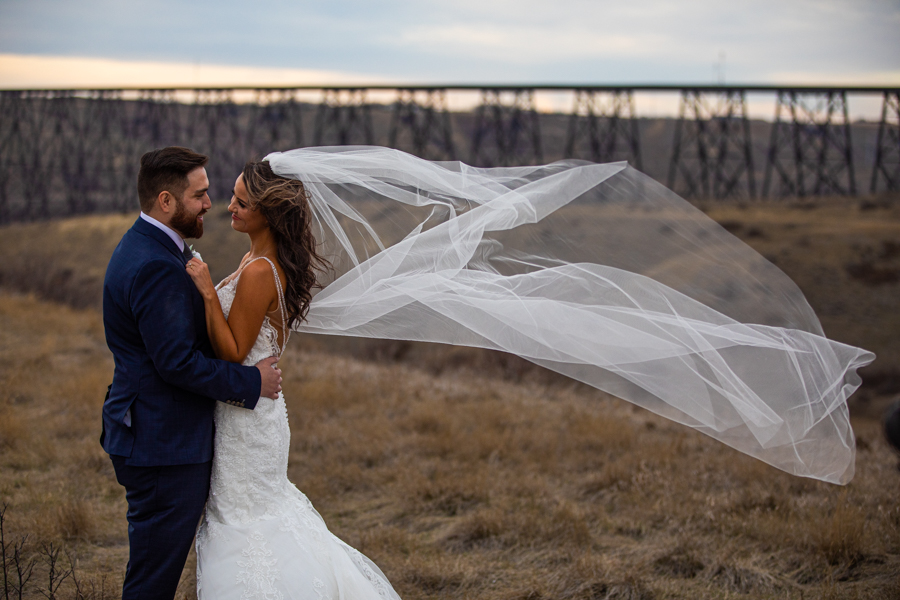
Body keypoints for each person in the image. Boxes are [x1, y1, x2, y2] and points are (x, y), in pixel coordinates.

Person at [186, 160, 400, 598]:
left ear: (268, 211)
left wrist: (208, 291)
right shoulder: (256, 260)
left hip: (247, 423)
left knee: (245, 522)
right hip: (252, 411)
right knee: (259, 517)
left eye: (242, 202)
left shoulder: (261, 270)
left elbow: (233, 351)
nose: (229, 207)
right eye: (233, 196)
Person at [101, 147, 284, 600]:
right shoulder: (155, 267)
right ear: (166, 201)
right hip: (163, 446)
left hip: (153, 434)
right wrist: (251, 383)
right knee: (152, 581)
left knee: (154, 569)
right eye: (200, 195)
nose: (211, 204)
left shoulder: (148, 246)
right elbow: (177, 363)